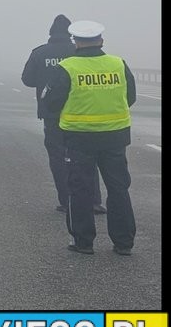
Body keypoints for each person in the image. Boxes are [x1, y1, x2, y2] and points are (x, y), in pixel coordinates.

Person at [43, 21, 138, 256]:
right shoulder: (118, 64)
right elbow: (131, 96)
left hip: (79, 138)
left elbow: (51, 102)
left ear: (76, 42)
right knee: (118, 188)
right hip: (115, 136)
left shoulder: (67, 67)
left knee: (80, 189)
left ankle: (83, 242)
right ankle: (124, 242)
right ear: (101, 41)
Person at [22, 15, 104, 214]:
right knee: (87, 158)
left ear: (51, 32)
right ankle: (93, 200)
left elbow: (27, 79)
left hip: (52, 115)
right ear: (71, 33)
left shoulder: (39, 53)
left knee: (58, 158)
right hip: (82, 114)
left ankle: (66, 200)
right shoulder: (79, 51)